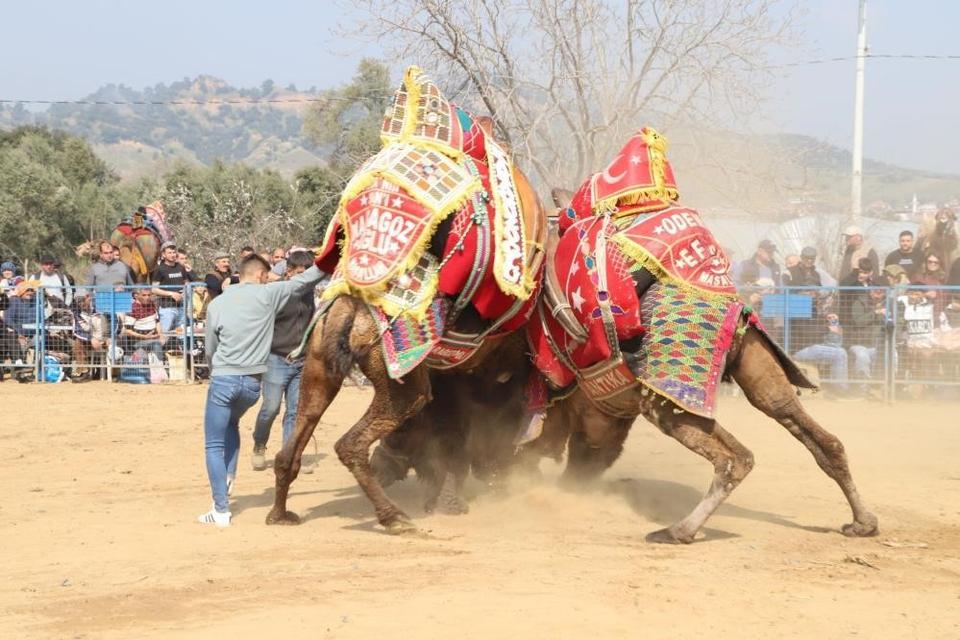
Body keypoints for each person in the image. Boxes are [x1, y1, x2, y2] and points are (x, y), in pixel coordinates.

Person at [198, 254, 325, 527]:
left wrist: (215, 371)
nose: (268, 279)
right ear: (258, 275)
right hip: (252, 384)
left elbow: (210, 348)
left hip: (224, 379)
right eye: (267, 276)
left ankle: (220, 510)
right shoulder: (269, 295)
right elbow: (306, 280)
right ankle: (228, 476)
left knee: (213, 444)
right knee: (233, 423)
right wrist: (332, 258)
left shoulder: (217, 304)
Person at [251, 251, 317, 471]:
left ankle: (290, 455)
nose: (306, 277)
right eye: (301, 273)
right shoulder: (276, 293)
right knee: (270, 408)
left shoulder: (310, 295)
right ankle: (260, 443)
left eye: (309, 272)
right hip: (276, 359)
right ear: (289, 272)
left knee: (295, 411)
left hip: (301, 361)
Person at [791, 311, 850, 395]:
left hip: (816, 348)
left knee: (841, 352)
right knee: (840, 354)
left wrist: (833, 326)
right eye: (829, 318)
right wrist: (827, 327)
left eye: (833, 318)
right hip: (804, 350)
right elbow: (806, 331)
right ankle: (841, 391)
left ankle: (840, 389)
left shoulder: (828, 323)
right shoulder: (805, 312)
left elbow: (835, 342)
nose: (831, 319)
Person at [151, 241, 199, 334]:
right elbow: (154, 289)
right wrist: (171, 294)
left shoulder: (180, 267)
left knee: (181, 334)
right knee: (165, 334)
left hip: (181, 307)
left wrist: (185, 291)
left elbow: (186, 282)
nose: (172, 255)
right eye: (169, 252)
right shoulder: (159, 269)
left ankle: (180, 349)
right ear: (163, 255)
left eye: (174, 252)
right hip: (167, 308)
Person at [119, 289, 166, 361]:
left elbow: (157, 322)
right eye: (144, 295)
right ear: (136, 296)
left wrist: (161, 335)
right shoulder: (133, 308)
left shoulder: (152, 305)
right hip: (138, 341)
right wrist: (145, 337)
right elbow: (127, 331)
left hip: (154, 338)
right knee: (156, 345)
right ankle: (159, 368)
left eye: (149, 295)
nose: (147, 297)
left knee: (173, 340)